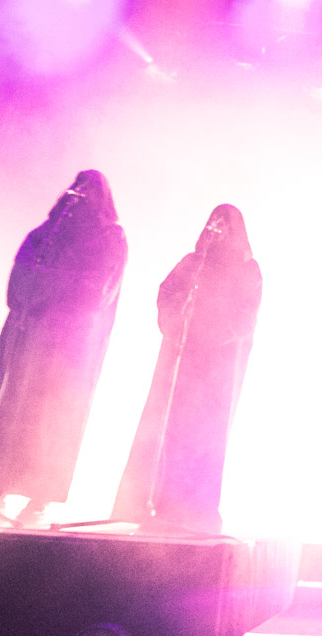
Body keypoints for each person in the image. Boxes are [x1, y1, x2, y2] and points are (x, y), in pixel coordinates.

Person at [0, 171, 126, 526]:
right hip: (26, 333)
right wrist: (29, 300)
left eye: (89, 189)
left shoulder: (110, 237)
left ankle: (39, 495)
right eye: (76, 186)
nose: (79, 194)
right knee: (8, 409)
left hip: (67, 342)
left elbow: (95, 291)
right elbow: (20, 274)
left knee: (50, 417)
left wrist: (49, 295)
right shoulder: (47, 232)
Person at [111, 204, 261, 535]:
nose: (217, 228)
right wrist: (176, 322)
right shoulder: (192, 262)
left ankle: (194, 510)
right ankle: (158, 502)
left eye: (224, 223)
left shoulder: (247, 269)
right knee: (166, 430)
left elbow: (244, 316)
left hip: (216, 369)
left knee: (202, 437)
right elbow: (166, 293)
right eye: (213, 221)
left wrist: (208, 333)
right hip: (180, 360)